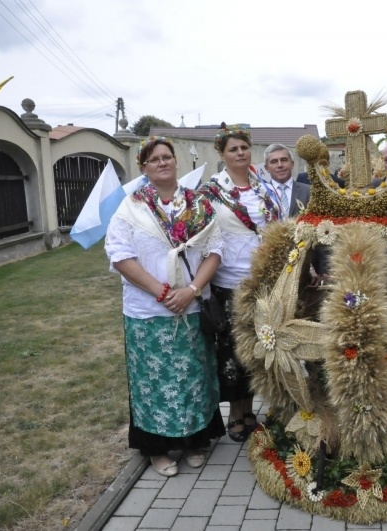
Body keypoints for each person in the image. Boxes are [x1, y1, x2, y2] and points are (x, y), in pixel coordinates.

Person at [105, 136, 225, 477]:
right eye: (153, 159)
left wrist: (191, 290)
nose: (162, 162)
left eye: (167, 156)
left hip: (191, 306)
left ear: (176, 162)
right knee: (153, 383)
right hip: (147, 314)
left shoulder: (198, 205)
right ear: (143, 167)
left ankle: (194, 441)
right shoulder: (130, 208)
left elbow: (214, 251)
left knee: (193, 377)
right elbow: (120, 256)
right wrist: (162, 292)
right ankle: (157, 450)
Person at [198, 125, 280, 443]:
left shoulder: (264, 187)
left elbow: (275, 227)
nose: (240, 153)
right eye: (233, 149)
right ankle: (235, 414)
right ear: (222, 154)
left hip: (262, 279)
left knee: (259, 347)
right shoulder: (211, 192)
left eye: (244, 147)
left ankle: (253, 410)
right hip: (227, 281)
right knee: (231, 351)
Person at [261, 143, 311, 219]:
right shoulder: (261, 193)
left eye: (284, 160)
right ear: (266, 168)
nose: (280, 165)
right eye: (274, 162)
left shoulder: (309, 191)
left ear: (292, 164)